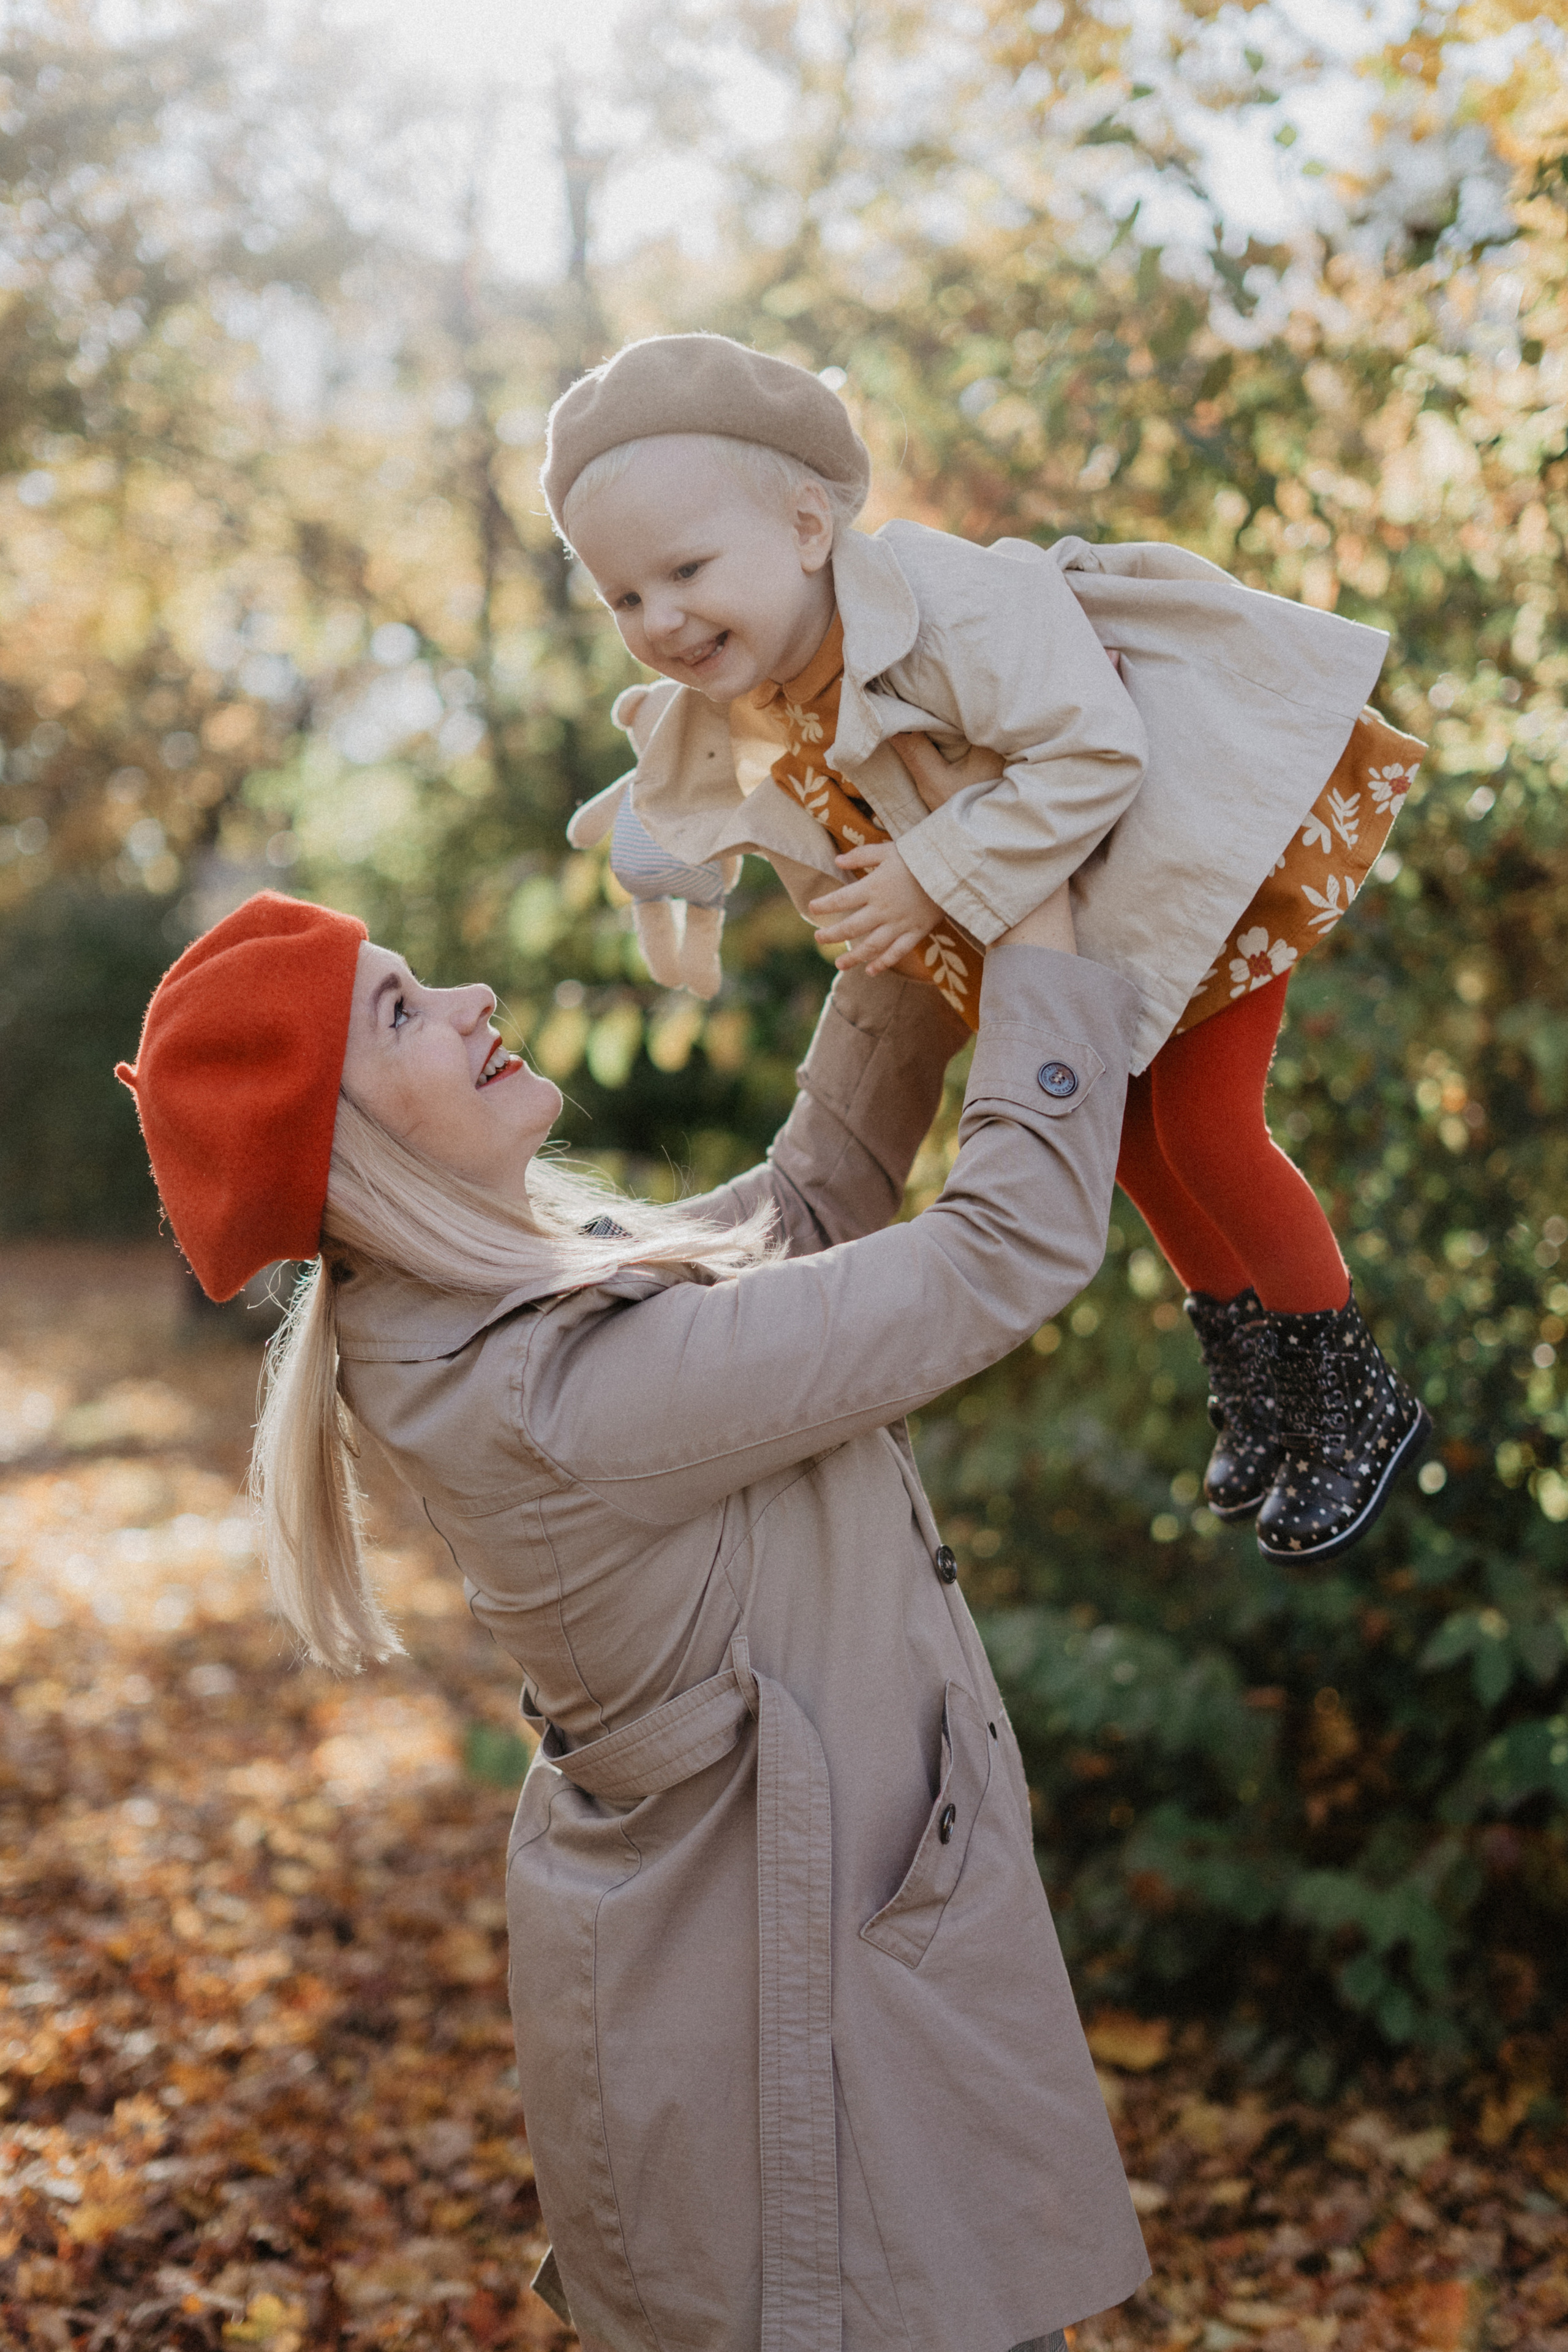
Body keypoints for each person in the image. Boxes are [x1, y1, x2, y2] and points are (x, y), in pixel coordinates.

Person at [115, 882, 1152, 2352]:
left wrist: (913, 926)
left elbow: (805, 1208)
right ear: (345, 1151)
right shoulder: (547, 1391)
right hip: (792, 2007)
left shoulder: (500, 1302)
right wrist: (1028, 912)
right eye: (401, 1012)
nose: (470, 1001)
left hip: (777, 1951)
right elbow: (997, 1253)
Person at [543, 331, 1431, 1566]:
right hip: (1094, 899)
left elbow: (1098, 751)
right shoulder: (762, 671)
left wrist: (926, 874)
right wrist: (664, 832)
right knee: (1122, 1137)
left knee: (1208, 1128)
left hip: (1197, 840)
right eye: (625, 596)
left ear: (808, 528)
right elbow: (693, 761)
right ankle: (1251, 1356)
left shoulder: (949, 602)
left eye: (685, 569)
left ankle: (1342, 1379)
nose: (661, 617)